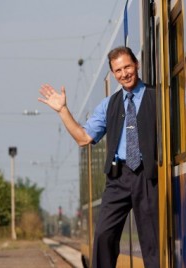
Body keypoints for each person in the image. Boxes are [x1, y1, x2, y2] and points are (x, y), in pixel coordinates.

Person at [38, 46, 158, 268]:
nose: (124, 74)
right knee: (103, 235)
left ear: (137, 65)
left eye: (128, 67)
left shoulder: (157, 96)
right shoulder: (109, 105)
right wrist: (63, 111)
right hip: (118, 177)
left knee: (152, 243)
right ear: (113, 74)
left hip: (148, 176)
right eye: (118, 70)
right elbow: (83, 138)